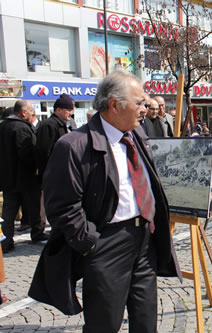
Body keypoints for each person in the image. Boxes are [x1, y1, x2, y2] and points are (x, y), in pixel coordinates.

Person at [28, 71, 181, 332]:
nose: (145, 109)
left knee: (146, 323)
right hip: (106, 244)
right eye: (139, 102)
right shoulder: (74, 145)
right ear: (114, 104)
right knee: (104, 324)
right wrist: (90, 244)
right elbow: (62, 206)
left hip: (143, 241)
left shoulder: (136, 136)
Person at [0, 100, 47, 253]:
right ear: (23, 112)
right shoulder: (21, 127)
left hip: (7, 177)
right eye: (31, 110)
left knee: (9, 210)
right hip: (25, 177)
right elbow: (27, 153)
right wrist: (36, 167)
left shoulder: (3, 126)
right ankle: (37, 233)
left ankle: (5, 242)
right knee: (35, 206)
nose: (33, 114)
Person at [36, 94, 74, 177]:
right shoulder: (48, 125)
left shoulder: (65, 124)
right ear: (58, 110)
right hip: (53, 173)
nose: (71, 113)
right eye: (68, 110)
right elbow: (44, 152)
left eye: (72, 110)